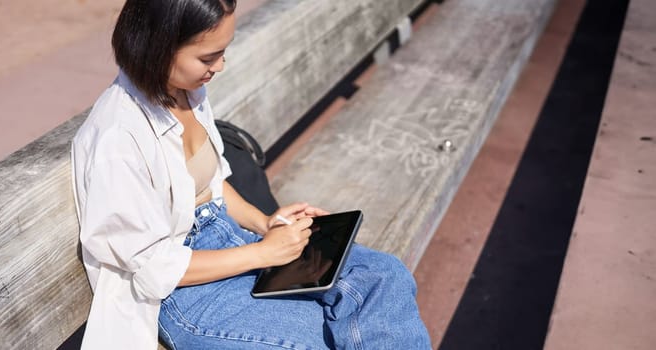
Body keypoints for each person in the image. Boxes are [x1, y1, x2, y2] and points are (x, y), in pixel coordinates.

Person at [70, 0, 431, 348]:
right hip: (186, 292)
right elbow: (152, 271)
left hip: (233, 239)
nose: (221, 65)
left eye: (223, 51)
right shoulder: (118, 137)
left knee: (384, 277)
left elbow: (212, 187)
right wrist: (263, 255)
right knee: (319, 338)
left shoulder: (185, 90)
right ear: (159, 46)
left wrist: (266, 223)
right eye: (209, 57)